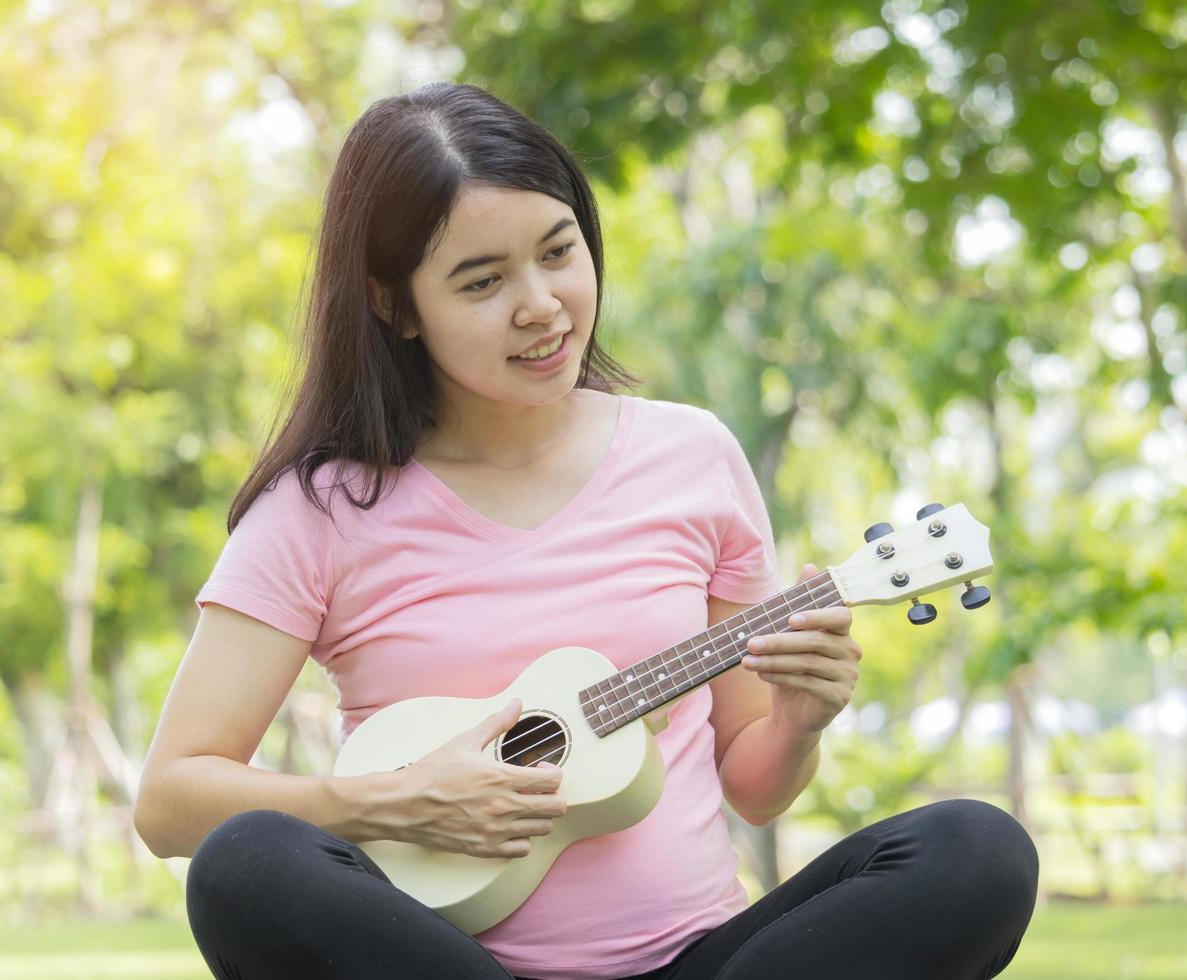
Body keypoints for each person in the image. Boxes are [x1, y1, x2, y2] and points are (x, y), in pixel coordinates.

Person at [133, 81, 1038, 980]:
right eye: (482, 281)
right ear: (394, 306)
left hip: (698, 962)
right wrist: (391, 803)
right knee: (244, 863)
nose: (542, 304)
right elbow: (171, 803)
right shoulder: (323, 507)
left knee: (974, 850)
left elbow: (753, 787)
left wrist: (798, 723)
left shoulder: (692, 456)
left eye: (558, 251)